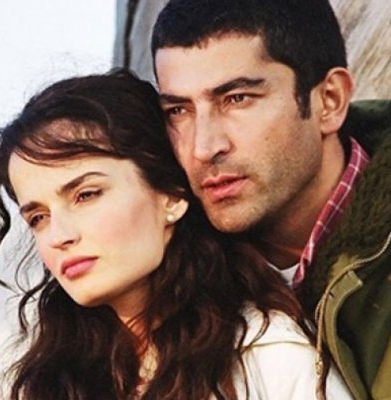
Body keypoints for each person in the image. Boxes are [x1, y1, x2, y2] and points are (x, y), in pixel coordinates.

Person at [0, 69, 353, 399]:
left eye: (86, 195)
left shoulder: (268, 354)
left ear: (171, 194)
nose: (59, 236)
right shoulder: (43, 381)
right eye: (38, 217)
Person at [151, 0, 391, 399]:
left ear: (329, 100)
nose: (203, 147)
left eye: (237, 99)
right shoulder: (172, 275)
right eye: (179, 110)